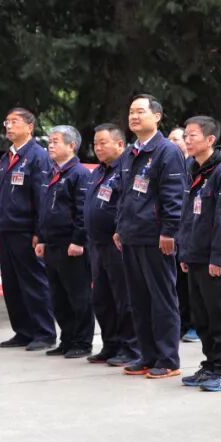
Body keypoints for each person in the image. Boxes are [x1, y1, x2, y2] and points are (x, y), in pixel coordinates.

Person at [115, 94, 185, 379]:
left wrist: (169, 231)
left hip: (156, 237)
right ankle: (147, 355)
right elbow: (124, 196)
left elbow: (174, 195)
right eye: (131, 112)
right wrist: (120, 227)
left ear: (156, 116)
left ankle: (168, 359)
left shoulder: (167, 151)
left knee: (162, 299)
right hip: (131, 235)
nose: (134, 116)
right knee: (139, 300)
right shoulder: (130, 153)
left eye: (140, 111)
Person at [177, 116, 221, 392]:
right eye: (186, 136)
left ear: (210, 139)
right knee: (202, 317)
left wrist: (219, 258)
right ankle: (211, 364)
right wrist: (184, 251)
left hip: (215, 259)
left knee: (220, 316)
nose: (187, 140)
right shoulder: (193, 168)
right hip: (195, 255)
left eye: (192, 135)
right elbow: (188, 215)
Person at [0, 107, 56, 351]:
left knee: (34, 282)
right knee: (12, 285)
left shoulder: (38, 156)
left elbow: (42, 196)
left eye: (14, 122)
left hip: (26, 231)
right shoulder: (7, 157)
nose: (9, 126)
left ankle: (44, 332)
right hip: (6, 229)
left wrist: (40, 232)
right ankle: (23, 330)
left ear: (30, 127)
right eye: (6, 122)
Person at [36, 125, 94, 358]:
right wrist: (41, 238)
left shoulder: (79, 173)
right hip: (52, 244)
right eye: (49, 141)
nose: (50, 145)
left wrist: (78, 240)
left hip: (71, 245)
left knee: (78, 296)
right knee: (58, 297)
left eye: (55, 141)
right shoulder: (51, 172)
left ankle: (82, 342)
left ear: (71, 145)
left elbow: (83, 210)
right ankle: (67, 339)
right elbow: (44, 209)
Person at [84, 123, 139, 367]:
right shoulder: (98, 172)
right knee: (102, 299)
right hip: (97, 244)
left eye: (102, 143)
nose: (97, 148)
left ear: (119, 144)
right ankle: (111, 344)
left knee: (124, 298)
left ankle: (131, 347)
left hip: (117, 243)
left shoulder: (126, 169)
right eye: (95, 143)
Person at [167, 126, 197, 344]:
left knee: (190, 283)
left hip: (190, 231)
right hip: (173, 232)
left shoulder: (194, 165)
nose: (174, 143)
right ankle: (182, 322)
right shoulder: (169, 165)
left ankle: (195, 325)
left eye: (178, 138)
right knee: (177, 283)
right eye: (171, 139)